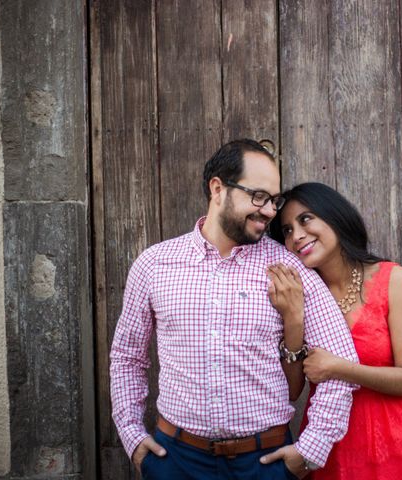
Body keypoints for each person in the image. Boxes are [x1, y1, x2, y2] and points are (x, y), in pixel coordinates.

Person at [110, 141, 358, 479]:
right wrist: (132, 436)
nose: (270, 211)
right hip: (175, 460)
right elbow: (128, 357)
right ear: (218, 188)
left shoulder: (290, 268)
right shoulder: (154, 264)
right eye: (259, 196)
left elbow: (341, 364)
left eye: (274, 200)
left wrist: (310, 450)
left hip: (264, 464)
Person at [266, 182, 402, 480]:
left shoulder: (393, 280)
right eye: (285, 230)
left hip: (395, 439)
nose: (296, 236)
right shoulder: (302, 292)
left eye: (306, 219)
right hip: (330, 442)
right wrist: (293, 318)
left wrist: (339, 368)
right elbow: (293, 389)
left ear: (335, 216)